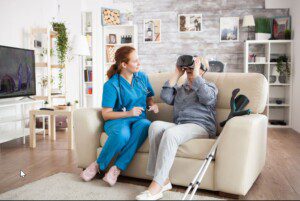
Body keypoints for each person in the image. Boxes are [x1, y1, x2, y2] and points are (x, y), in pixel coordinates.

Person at [136, 56, 218, 200]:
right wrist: (177, 73)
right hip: (181, 125)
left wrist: (197, 75)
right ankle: (164, 180)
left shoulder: (210, 87)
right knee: (155, 126)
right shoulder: (182, 88)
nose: (191, 70)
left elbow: (206, 98)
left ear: (203, 70)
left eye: (197, 66)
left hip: (201, 126)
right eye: (190, 67)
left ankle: (156, 186)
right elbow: (166, 97)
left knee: (171, 134)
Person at [80, 46, 159, 186]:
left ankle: (116, 169)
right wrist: (129, 113)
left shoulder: (142, 77)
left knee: (146, 125)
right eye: (135, 61)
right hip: (118, 120)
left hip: (139, 120)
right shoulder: (111, 85)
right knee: (122, 135)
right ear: (124, 64)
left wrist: (153, 105)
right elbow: (106, 114)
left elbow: (149, 97)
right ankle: (98, 165)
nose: (139, 63)